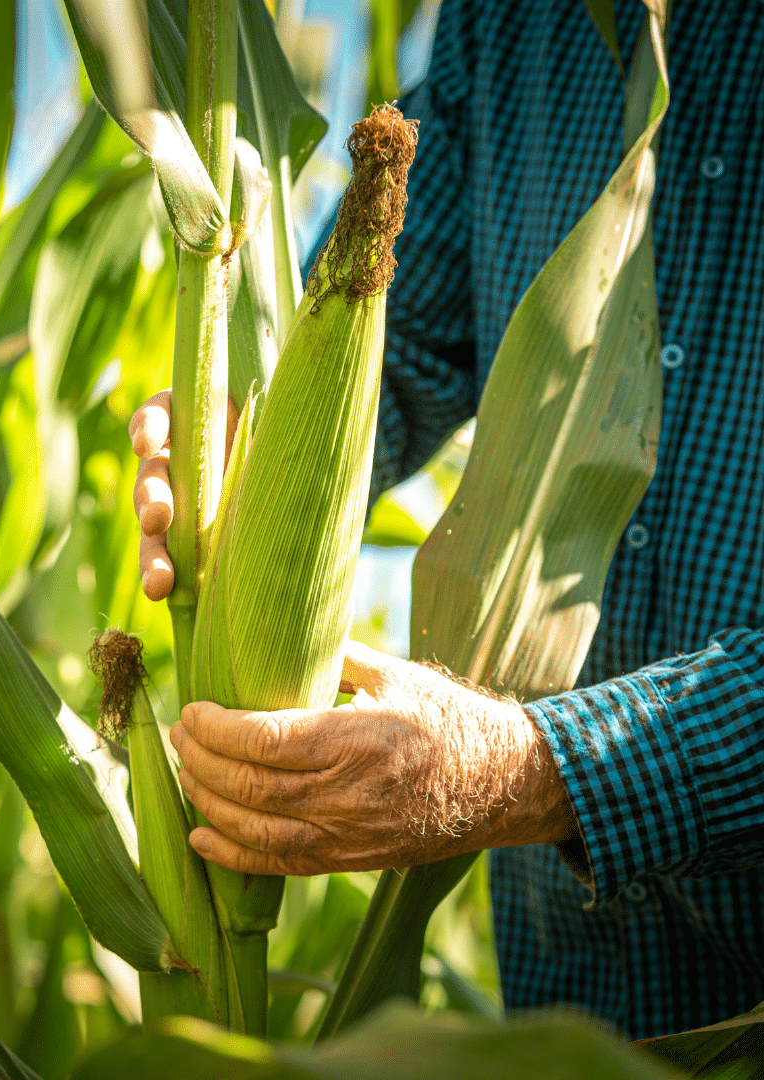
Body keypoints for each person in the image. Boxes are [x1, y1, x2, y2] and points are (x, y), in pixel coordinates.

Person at [128, 0, 764, 1040]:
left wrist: (527, 767)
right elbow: (405, 346)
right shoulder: (511, 22)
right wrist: (246, 441)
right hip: (572, 1010)